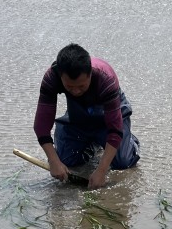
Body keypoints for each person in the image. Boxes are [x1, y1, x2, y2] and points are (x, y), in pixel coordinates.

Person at [33, 44, 140, 190]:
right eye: (69, 87)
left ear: (90, 74)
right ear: (60, 75)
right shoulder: (52, 78)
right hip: (79, 112)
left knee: (122, 163)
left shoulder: (105, 79)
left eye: (81, 86)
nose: (76, 91)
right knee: (65, 161)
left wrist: (101, 171)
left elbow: (115, 130)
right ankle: (92, 144)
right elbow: (41, 126)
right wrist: (53, 161)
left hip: (111, 111)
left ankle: (130, 142)